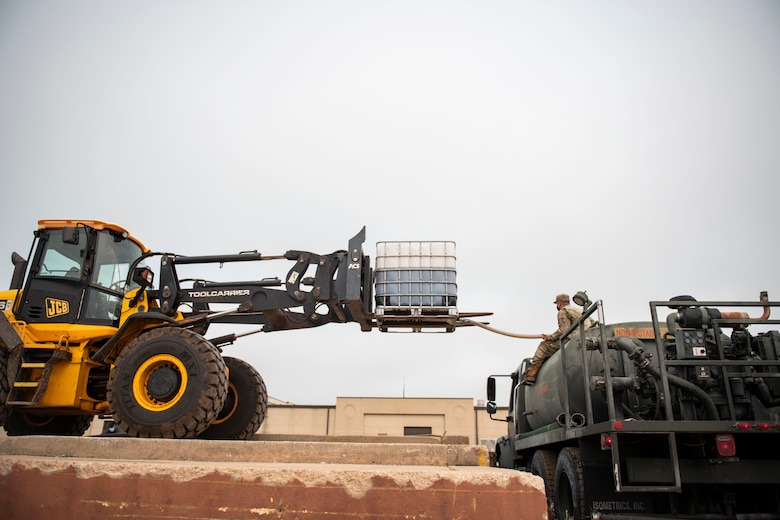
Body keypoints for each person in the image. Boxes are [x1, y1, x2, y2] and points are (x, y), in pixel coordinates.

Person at [522, 293, 592, 385]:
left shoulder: (563, 311)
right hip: (587, 336)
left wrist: (550, 337)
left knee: (543, 346)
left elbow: (564, 330)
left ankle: (531, 374)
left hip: (574, 339)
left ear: (559, 303)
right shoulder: (578, 310)